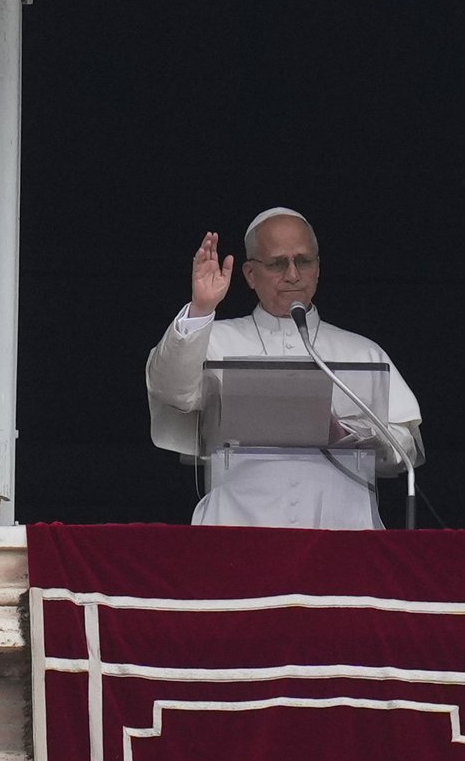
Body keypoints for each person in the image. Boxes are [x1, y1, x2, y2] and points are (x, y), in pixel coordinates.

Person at [146, 207, 424, 529]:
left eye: (303, 261)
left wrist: (349, 435)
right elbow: (172, 391)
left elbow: (405, 449)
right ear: (250, 274)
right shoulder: (214, 340)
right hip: (237, 529)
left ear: (318, 269)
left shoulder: (363, 352)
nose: (293, 274)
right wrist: (201, 309)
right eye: (278, 263)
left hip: (342, 529)